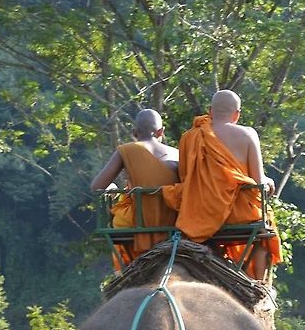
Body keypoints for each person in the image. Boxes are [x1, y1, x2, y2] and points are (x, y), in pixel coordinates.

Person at [161, 90, 281, 281]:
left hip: (197, 213)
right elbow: (258, 181)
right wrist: (268, 182)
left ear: (210, 111)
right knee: (265, 234)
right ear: (237, 114)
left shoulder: (189, 137)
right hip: (238, 213)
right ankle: (260, 284)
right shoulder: (247, 134)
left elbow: (186, 178)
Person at [91, 109, 180, 271]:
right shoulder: (177, 154)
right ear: (161, 131)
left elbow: (97, 186)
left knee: (120, 215)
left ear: (134, 133)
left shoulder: (127, 150)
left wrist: (114, 189)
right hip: (174, 221)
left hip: (138, 223)